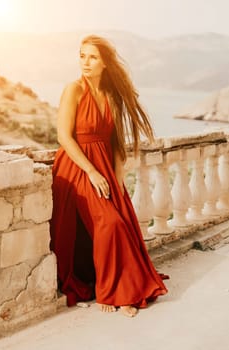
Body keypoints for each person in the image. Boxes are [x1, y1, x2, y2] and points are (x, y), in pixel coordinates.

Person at [50, 34, 168, 317]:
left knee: (121, 221)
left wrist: (117, 179)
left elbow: (115, 143)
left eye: (92, 57)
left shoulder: (111, 96)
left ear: (105, 63)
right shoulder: (74, 90)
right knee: (109, 224)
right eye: (82, 55)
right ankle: (113, 291)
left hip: (104, 167)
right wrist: (90, 172)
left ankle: (123, 288)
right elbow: (64, 137)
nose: (85, 62)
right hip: (77, 167)